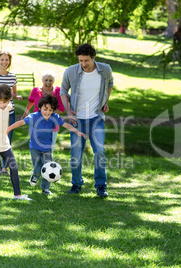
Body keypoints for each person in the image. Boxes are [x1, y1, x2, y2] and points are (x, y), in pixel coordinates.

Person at [60, 43, 114, 198]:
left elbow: (110, 83)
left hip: (96, 118)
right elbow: (63, 90)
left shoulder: (105, 70)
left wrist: (106, 101)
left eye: (86, 61)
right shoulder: (71, 71)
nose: (83, 64)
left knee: (99, 151)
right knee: (76, 154)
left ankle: (101, 187)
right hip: (77, 120)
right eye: (80, 61)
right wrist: (68, 110)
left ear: (93, 58)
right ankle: (76, 184)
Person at [8, 95, 86, 195]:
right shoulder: (33, 117)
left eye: (50, 110)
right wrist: (8, 129)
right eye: (45, 109)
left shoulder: (54, 117)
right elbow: (20, 123)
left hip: (47, 148)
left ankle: (45, 189)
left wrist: (77, 132)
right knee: (37, 168)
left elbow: (66, 125)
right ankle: (35, 176)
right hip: (35, 148)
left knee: (49, 169)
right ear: (40, 107)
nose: (48, 112)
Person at [0, 84, 32, 201]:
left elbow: (6, 123)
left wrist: (6, 133)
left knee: (14, 167)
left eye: (7, 101)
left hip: (4, 143)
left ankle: (17, 195)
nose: (4, 105)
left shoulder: (8, 106)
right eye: (2, 102)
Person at [21, 70, 65, 151]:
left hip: (51, 123)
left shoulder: (58, 91)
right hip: (36, 123)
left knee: (49, 148)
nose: (48, 82)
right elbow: (30, 102)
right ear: (42, 81)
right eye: (46, 80)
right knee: (35, 147)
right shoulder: (35, 91)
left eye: (50, 80)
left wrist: (47, 114)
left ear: (54, 81)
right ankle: (37, 163)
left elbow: (61, 109)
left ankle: (48, 163)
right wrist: (25, 113)